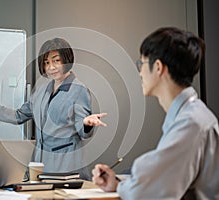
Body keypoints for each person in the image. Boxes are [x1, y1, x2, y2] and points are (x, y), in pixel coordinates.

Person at [92, 27, 219, 199]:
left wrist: (126, 183)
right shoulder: (190, 116)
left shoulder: (192, 123)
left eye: (141, 64)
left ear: (158, 67)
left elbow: (151, 187)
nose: (140, 72)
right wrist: (117, 183)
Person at [0, 38, 107, 180]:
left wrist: (86, 123)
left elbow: (82, 130)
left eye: (56, 61)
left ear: (67, 60)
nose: (51, 67)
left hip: (68, 165)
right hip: (41, 164)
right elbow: (18, 116)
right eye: (46, 63)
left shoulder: (78, 89)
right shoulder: (41, 91)